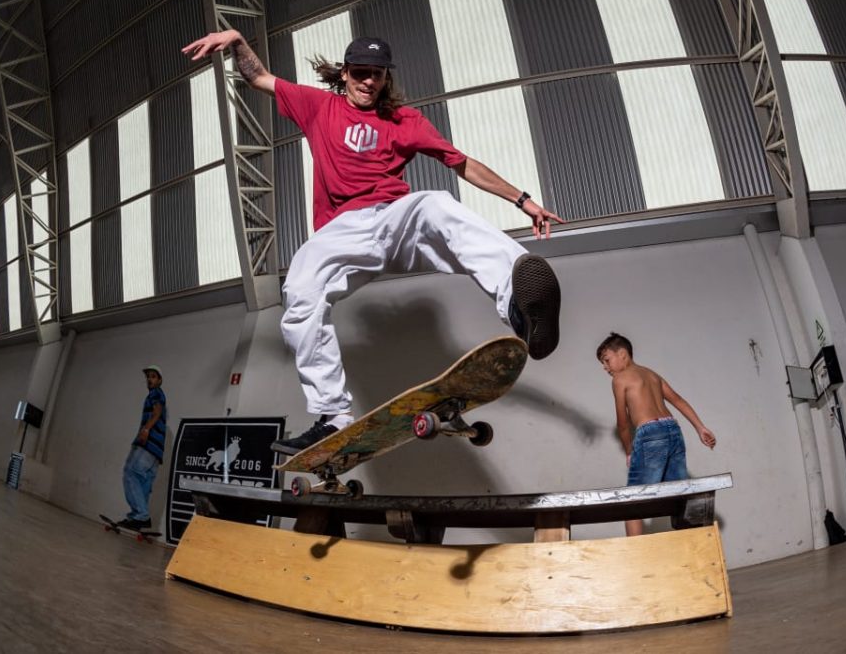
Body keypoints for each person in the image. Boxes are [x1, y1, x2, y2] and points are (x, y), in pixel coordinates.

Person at [182, 31, 564, 455]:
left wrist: (523, 200)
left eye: (376, 75)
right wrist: (236, 40)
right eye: (360, 73)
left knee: (436, 204)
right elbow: (259, 78)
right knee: (299, 293)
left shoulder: (405, 121)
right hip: (342, 235)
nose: (367, 82)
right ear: (344, 73)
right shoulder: (317, 105)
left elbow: (463, 164)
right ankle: (331, 416)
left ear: (385, 78)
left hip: (394, 222)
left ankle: (520, 304)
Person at [596, 333, 716, 537]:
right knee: (679, 496)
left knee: (632, 502)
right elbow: (677, 400)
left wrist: (629, 451)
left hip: (650, 433)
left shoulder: (620, 379)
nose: (605, 368)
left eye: (607, 361)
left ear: (623, 354)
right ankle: (691, 551)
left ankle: (637, 561)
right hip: (673, 430)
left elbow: (623, 423)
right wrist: (700, 427)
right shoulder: (652, 374)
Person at [116, 365, 168, 530]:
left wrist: (145, 429)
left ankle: (140, 515)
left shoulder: (156, 393)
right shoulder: (156, 394)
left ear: (159, 380)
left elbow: (157, 412)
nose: (149, 379)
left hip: (148, 444)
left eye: (153, 376)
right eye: (148, 377)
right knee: (144, 483)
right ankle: (140, 518)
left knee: (130, 473)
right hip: (156, 451)